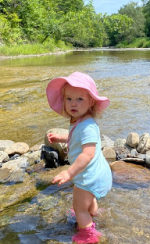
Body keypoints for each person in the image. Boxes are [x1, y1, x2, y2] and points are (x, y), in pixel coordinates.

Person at [46, 71, 112, 244]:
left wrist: (68, 173)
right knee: (88, 201)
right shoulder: (81, 120)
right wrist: (62, 138)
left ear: (91, 101)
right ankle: (94, 213)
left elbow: (87, 154)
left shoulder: (87, 126)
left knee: (78, 207)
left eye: (79, 99)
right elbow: (78, 138)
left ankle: (89, 236)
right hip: (96, 171)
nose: (73, 103)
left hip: (87, 174)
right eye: (69, 99)